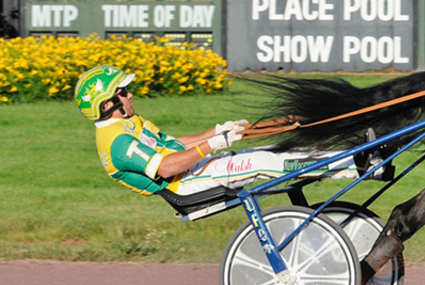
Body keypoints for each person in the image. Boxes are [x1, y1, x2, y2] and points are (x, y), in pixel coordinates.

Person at [75, 65, 377, 199]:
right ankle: (355, 165)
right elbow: (166, 167)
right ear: (107, 104)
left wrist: (220, 131)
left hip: (192, 169)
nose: (130, 95)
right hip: (185, 184)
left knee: (272, 152)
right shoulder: (116, 142)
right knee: (263, 163)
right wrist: (215, 144)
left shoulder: (125, 124)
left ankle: (355, 158)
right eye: (124, 92)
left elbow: (174, 145)